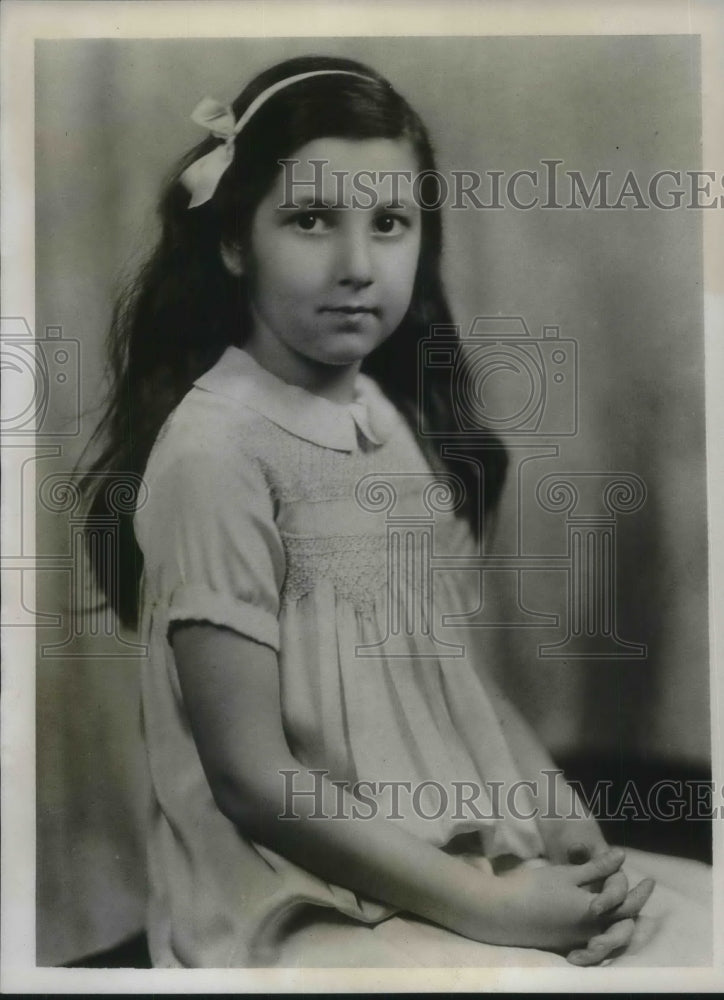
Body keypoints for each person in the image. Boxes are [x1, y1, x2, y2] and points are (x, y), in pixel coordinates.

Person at [82, 54, 712, 969]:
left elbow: (444, 665)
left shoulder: (381, 416)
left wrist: (554, 808)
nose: (355, 265)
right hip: (300, 897)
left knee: (698, 931)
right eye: (309, 221)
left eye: (389, 222)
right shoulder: (216, 452)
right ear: (232, 243)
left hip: (444, 854)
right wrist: (488, 907)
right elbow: (252, 781)